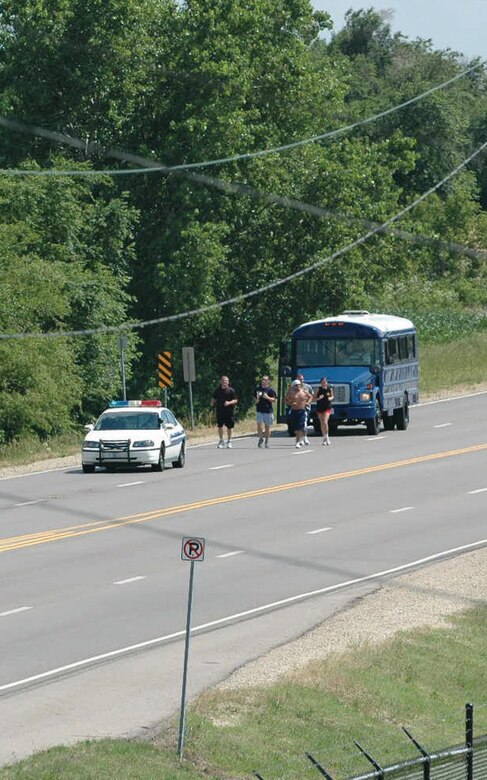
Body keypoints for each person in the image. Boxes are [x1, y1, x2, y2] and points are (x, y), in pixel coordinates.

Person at [211, 375, 238, 448]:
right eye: (223, 381)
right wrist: (212, 403)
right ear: (221, 382)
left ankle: (229, 441)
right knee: (220, 426)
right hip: (220, 411)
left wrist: (229, 403)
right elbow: (214, 398)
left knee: (229, 427)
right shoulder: (217, 390)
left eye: (226, 381)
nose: (225, 383)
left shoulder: (231, 390)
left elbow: (235, 400)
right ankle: (221, 440)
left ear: (228, 382)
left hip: (229, 412)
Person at [285, 379, 313, 449]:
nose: (298, 387)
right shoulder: (291, 392)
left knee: (300, 427)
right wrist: (291, 403)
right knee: (294, 428)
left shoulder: (304, 391)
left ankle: (297, 442)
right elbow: (285, 400)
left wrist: (308, 403)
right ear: (293, 386)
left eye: (299, 385)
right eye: (296, 385)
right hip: (294, 411)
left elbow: (310, 397)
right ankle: (299, 437)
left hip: (302, 411)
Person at [255, 375, 277, 448]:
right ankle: (261, 438)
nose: (263, 381)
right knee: (259, 425)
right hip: (259, 410)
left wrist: (267, 397)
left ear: (268, 381)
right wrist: (257, 399)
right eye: (262, 380)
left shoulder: (270, 390)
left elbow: (275, 400)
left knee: (267, 427)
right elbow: (255, 400)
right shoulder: (257, 389)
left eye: (265, 380)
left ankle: (267, 442)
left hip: (268, 410)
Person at [313, 377, 334, 446]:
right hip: (320, 407)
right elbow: (314, 398)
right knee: (321, 422)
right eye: (322, 382)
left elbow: (332, 396)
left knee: (325, 421)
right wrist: (319, 398)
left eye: (325, 382)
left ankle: (327, 437)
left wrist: (330, 398)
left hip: (327, 407)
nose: (324, 384)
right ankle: (324, 437)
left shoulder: (329, 389)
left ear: (327, 382)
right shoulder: (319, 389)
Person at [297, 372, 313, 445]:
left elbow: (311, 396)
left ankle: (305, 437)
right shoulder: (293, 388)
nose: (301, 381)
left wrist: (308, 402)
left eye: (302, 379)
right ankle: (300, 438)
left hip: (305, 408)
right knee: (298, 424)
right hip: (296, 408)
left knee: (304, 423)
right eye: (300, 379)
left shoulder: (307, 387)